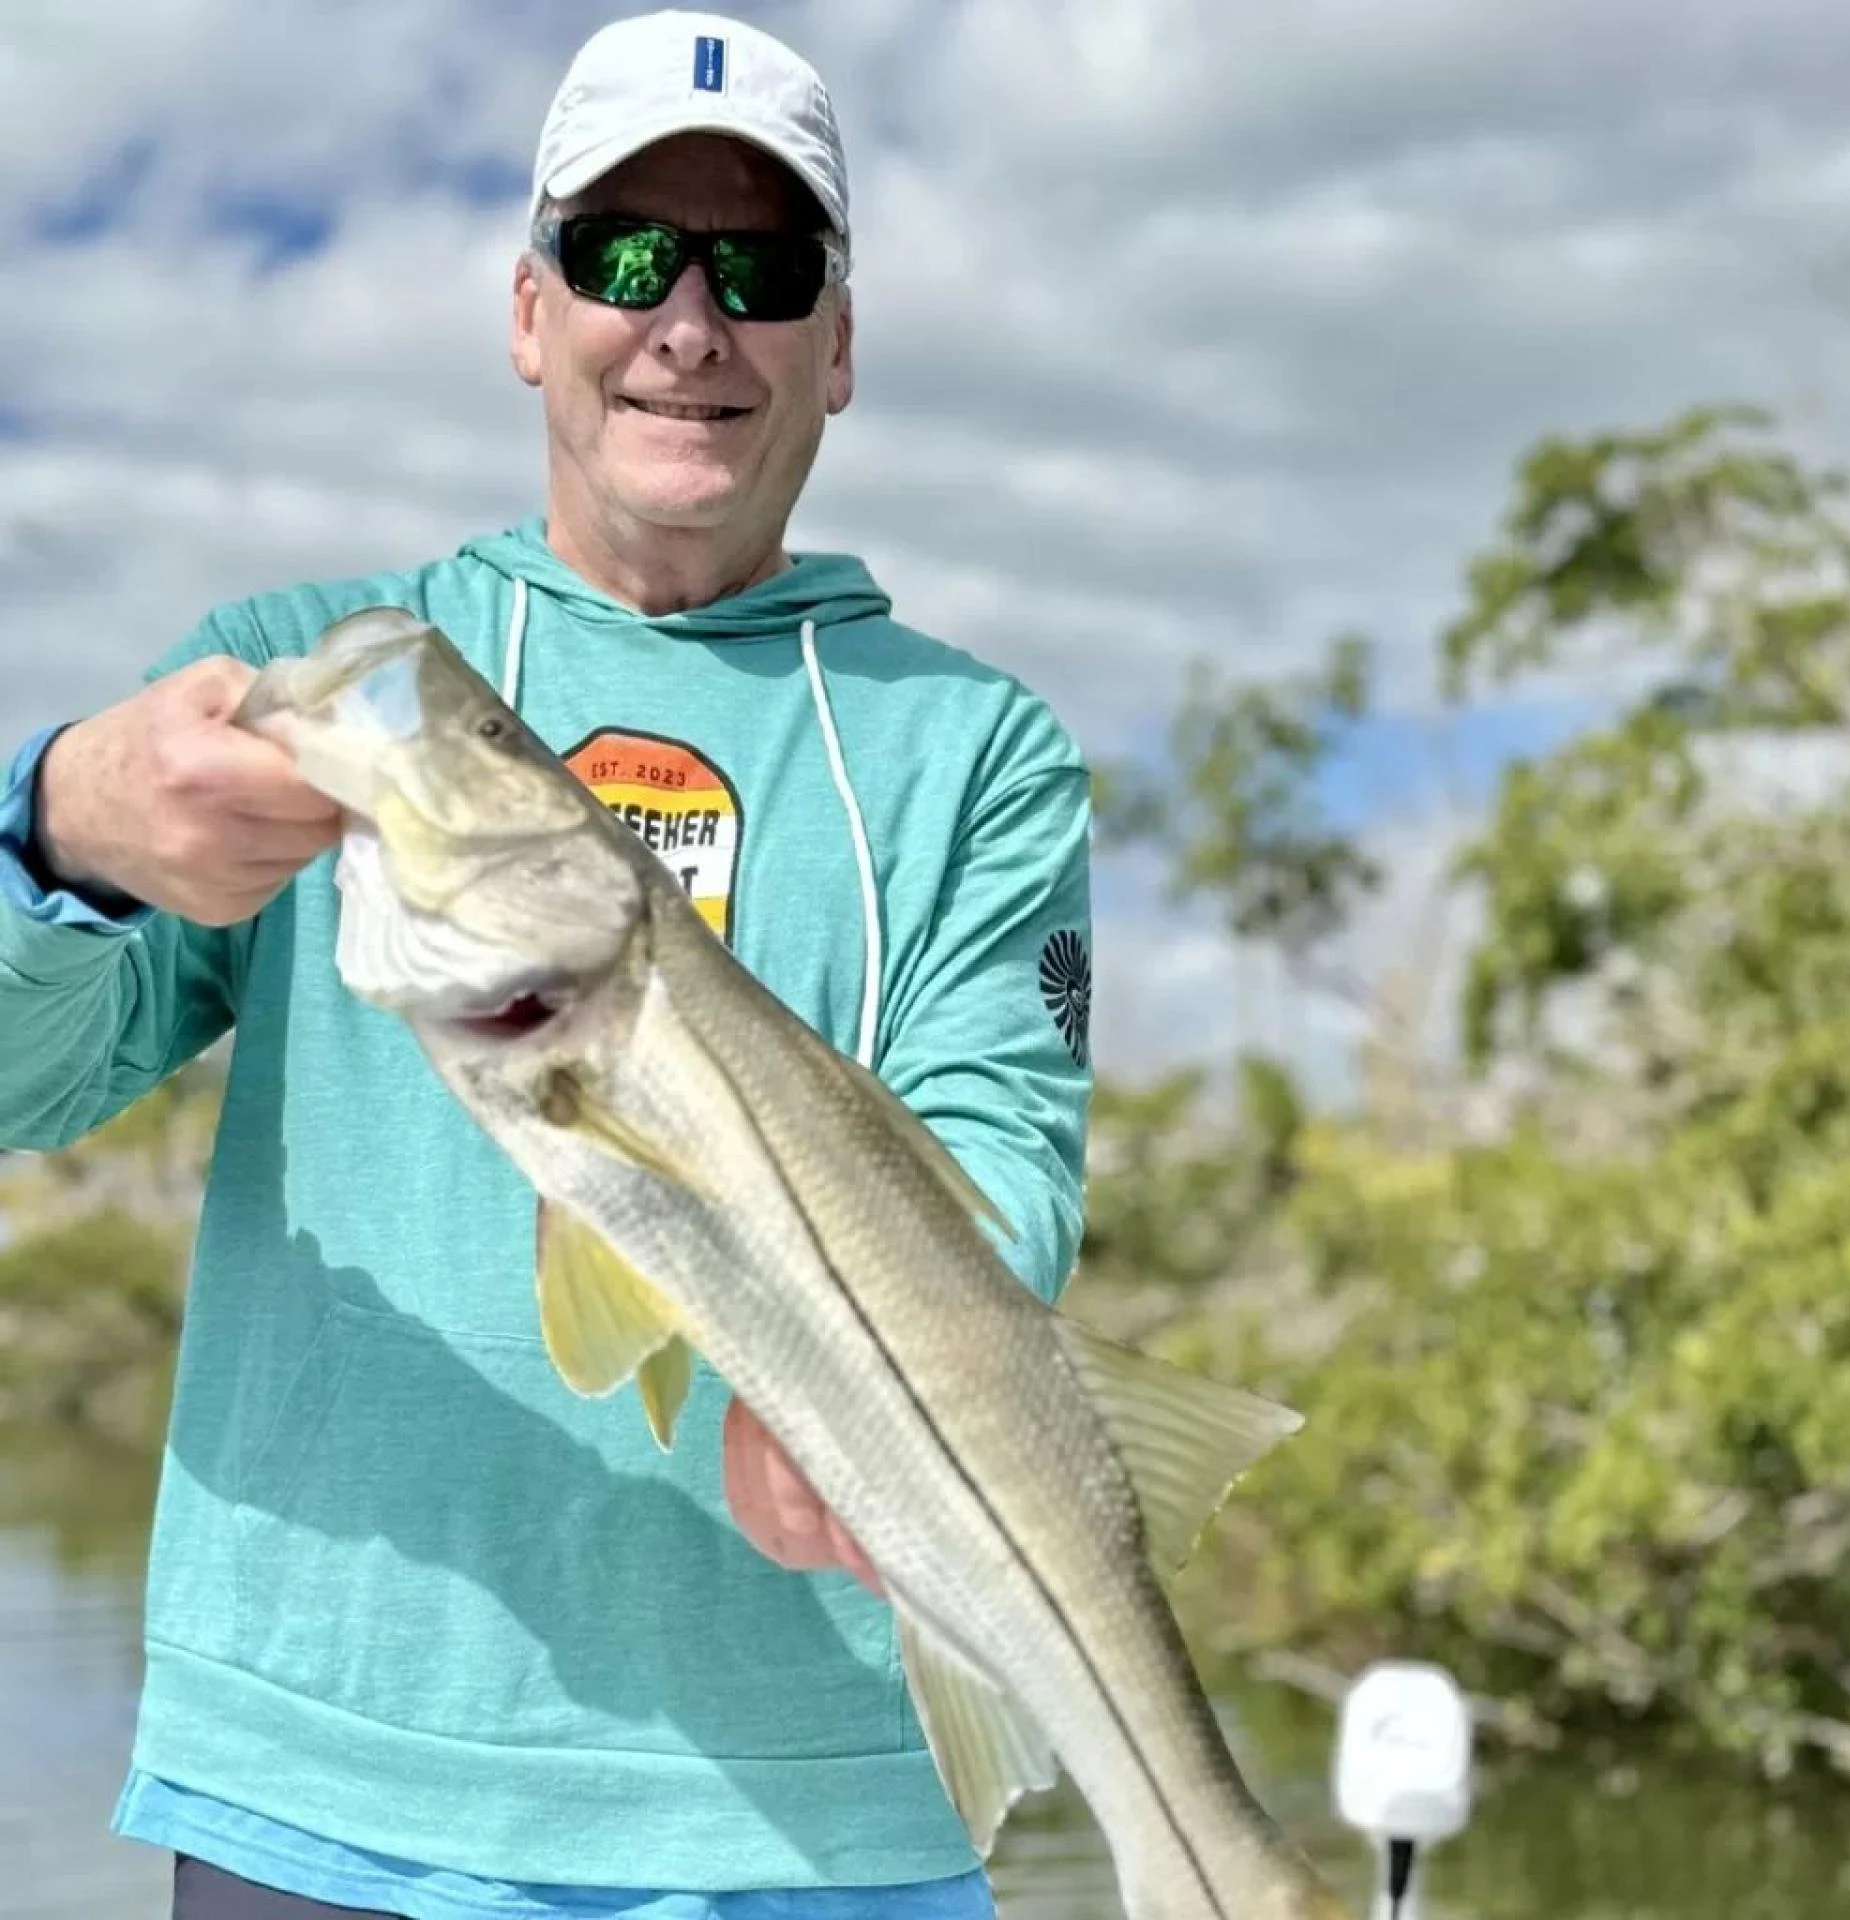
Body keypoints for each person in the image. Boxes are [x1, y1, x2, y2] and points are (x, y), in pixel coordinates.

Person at [0, 12, 1093, 1919]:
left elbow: (1003, 1163)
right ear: (531, 311)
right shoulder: (308, 674)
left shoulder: (980, 753)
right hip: (317, 1791)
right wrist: (57, 827)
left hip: (825, 1827)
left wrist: (876, 1386)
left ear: (838, 346)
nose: (690, 322)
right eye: (625, 255)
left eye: (762, 269)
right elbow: (29, 1089)